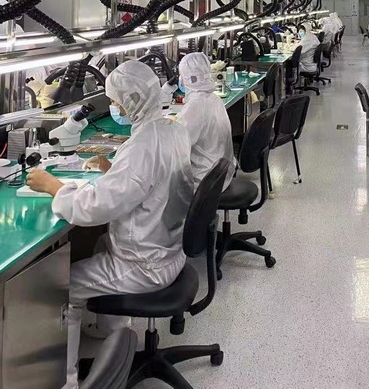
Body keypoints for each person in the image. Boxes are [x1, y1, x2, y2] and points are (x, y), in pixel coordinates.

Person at [26, 61, 195, 389]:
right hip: (169, 250)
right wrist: (112, 170)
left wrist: (54, 187)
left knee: (63, 288)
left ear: (133, 101)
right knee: (101, 244)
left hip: (144, 265)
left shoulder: (141, 146)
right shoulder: (171, 130)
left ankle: (67, 382)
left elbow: (95, 208)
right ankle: (111, 331)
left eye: (116, 101)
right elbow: (148, 182)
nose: (114, 107)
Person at [177, 52, 236, 191]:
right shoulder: (214, 98)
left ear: (188, 78)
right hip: (222, 173)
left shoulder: (196, 105)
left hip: (205, 180)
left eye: (181, 75)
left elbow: (178, 144)